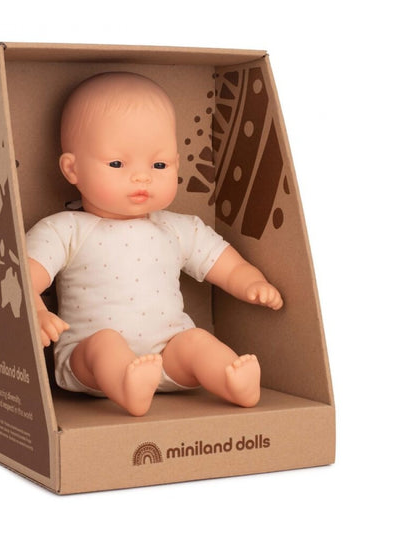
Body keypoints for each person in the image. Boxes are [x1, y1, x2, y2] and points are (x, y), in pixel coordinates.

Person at [26, 72, 283, 416]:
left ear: (176, 163)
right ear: (72, 169)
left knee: (196, 341)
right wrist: (37, 311)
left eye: (159, 164)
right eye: (117, 163)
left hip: (167, 353)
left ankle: (232, 379)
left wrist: (251, 282)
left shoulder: (177, 228)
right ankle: (126, 384)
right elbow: (24, 277)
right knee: (104, 344)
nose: (142, 176)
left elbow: (225, 264)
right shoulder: (65, 229)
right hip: (87, 361)